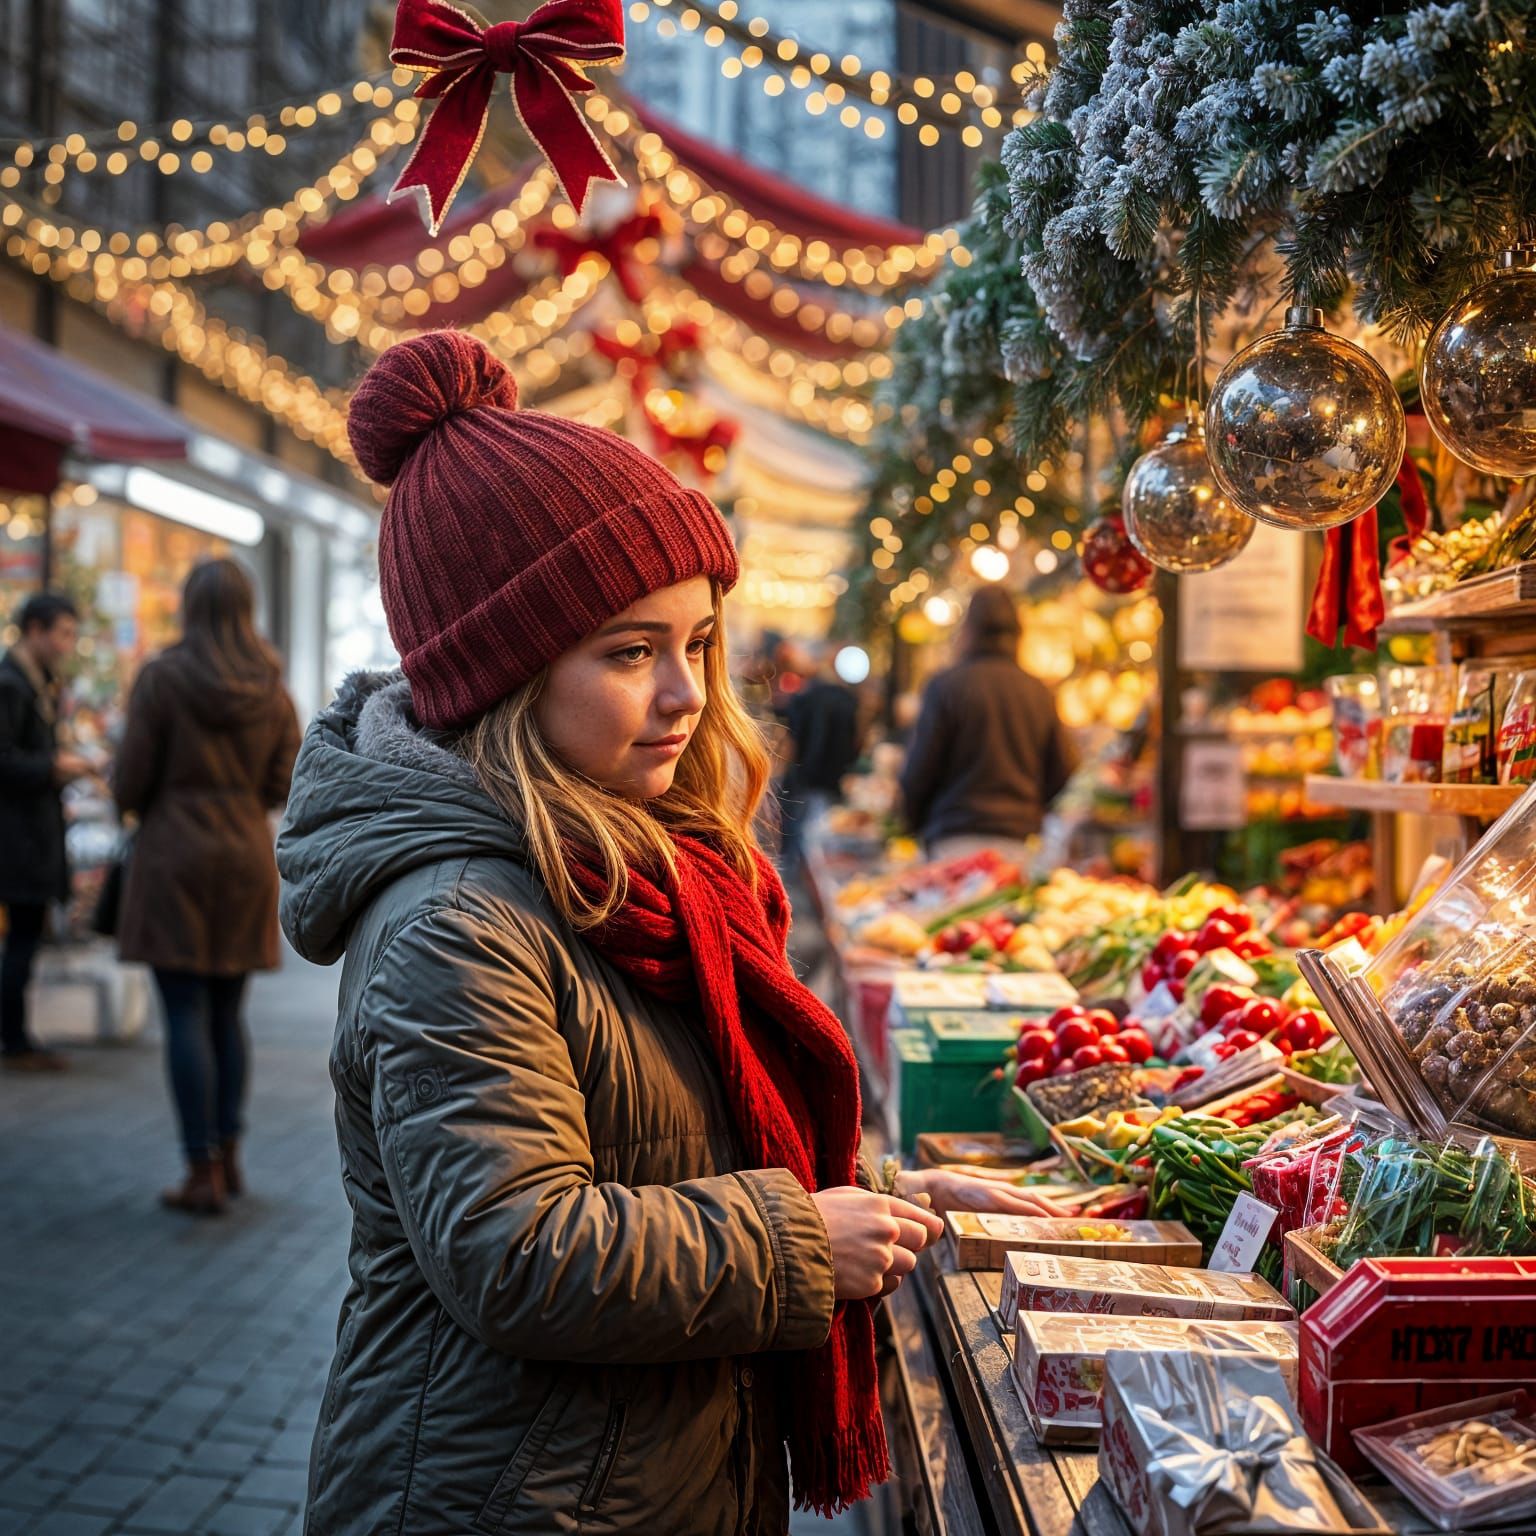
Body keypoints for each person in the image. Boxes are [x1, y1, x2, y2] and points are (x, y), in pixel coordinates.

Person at [276, 332, 1057, 1535]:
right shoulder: (459, 919)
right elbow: (516, 1250)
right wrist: (803, 1234)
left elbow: (675, 1149)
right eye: (632, 652)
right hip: (505, 1495)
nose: (689, 696)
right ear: (506, 676)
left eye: (696, 644)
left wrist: (887, 1198)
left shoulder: (646, 869)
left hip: (631, 1476)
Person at [114, 559, 300, 1214]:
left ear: (189, 607)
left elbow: (130, 780)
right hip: (245, 857)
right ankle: (229, 1156)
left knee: (185, 1013)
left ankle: (199, 1171)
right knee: (228, 1012)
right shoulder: (272, 687)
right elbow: (285, 784)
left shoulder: (162, 679)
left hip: (174, 852)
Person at [900, 586, 1076, 865]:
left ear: (968, 629)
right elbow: (1064, 772)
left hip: (952, 839)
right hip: (1019, 844)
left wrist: (912, 825)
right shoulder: (1039, 692)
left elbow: (919, 770)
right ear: (1019, 632)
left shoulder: (945, 686)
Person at [1, 591, 88, 1072]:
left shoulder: (36, 682)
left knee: (25, 937)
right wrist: (53, 766)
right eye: (63, 633)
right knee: (21, 939)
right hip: (18, 838)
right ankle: (14, 1041)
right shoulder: (12, 684)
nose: (67, 644)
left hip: (29, 834)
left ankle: (16, 1037)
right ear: (35, 629)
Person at [776, 644, 862, 871]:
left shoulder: (804, 697)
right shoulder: (849, 700)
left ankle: (791, 884)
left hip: (802, 777)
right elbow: (855, 743)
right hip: (832, 779)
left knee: (796, 839)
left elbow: (792, 741)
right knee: (821, 844)